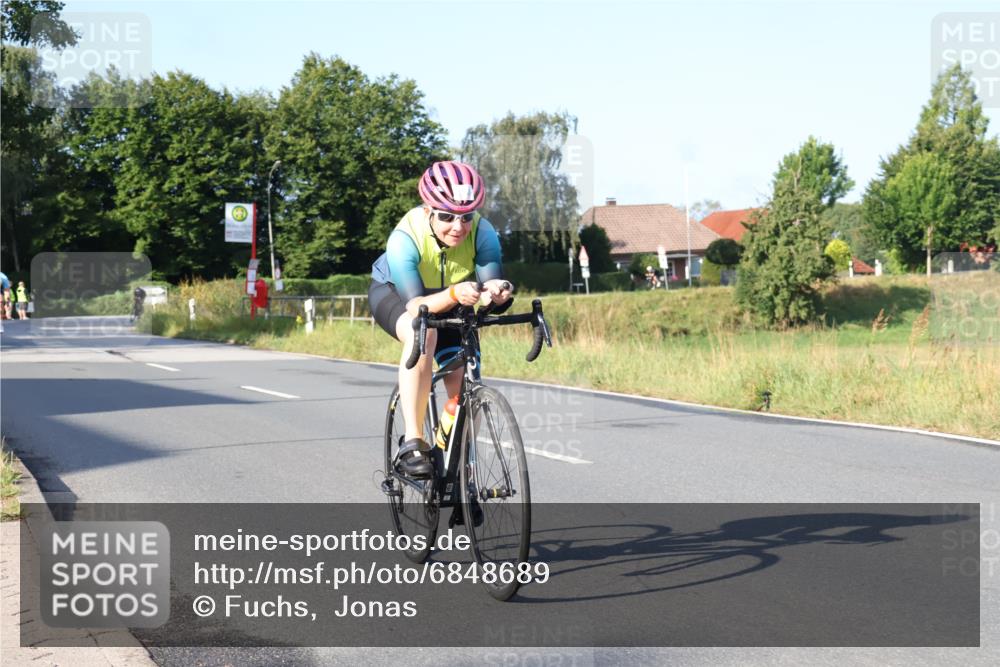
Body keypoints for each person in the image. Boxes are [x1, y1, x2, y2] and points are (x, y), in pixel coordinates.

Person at [369, 160, 512, 478]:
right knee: (424, 334)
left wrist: (498, 292)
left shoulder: (483, 232)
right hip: (398, 295)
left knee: (466, 387)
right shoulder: (404, 237)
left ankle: (450, 452)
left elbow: (491, 282)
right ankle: (413, 441)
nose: (458, 227)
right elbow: (417, 304)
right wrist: (452, 295)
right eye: (447, 217)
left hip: (454, 296)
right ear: (427, 210)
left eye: (466, 217)